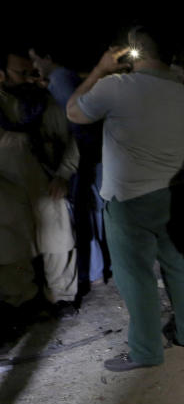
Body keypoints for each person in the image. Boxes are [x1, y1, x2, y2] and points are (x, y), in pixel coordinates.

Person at [66, 26, 184, 371]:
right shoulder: (182, 94)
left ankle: (145, 351)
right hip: (170, 193)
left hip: (129, 199)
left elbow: (74, 112)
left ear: (133, 53)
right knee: (176, 265)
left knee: (135, 276)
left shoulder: (116, 87)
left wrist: (99, 70)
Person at [0, 48, 79, 321]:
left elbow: (73, 141)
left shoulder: (47, 103)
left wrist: (63, 175)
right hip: (5, 187)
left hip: (46, 184)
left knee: (59, 239)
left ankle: (61, 296)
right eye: (21, 73)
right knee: (11, 248)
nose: (30, 79)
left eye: (32, 72)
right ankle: (19, 300)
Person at [30, 46, 108, 292]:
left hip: (79, 161)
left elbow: (77, 127)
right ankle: (94, 272)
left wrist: (65, 169)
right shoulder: (64, 79)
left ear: (48, 57)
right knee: (88, 216)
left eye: (35, 59)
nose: (34, 67)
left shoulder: (60, 81)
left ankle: (88, 273)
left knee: (80, 217)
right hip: (83, 159)